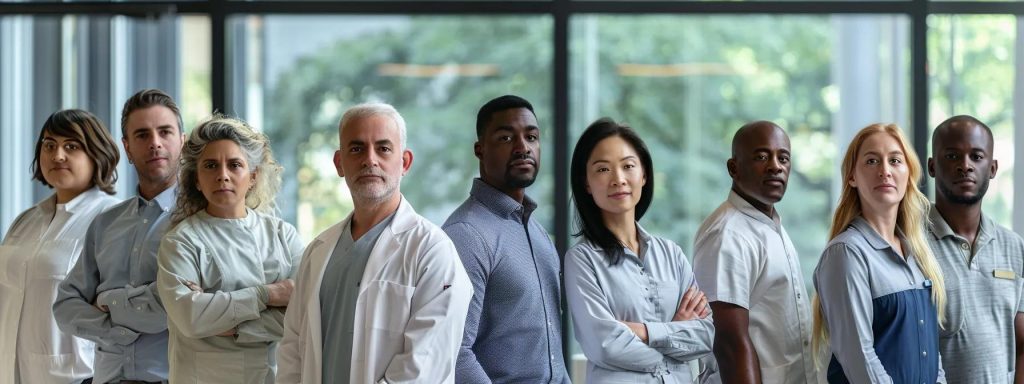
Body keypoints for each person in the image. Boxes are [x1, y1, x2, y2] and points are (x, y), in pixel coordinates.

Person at [277, 102, 472, 384]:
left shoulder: (432, 251)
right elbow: (292, 352)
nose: (370, 160)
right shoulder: (318, 251)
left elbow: (424, 366)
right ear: (339, 163)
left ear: (405, 162)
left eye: (383, 148)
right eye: (357, 149)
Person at [565, 118, 714, 383]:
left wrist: (643, 332)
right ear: (586, 183)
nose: (618, 179)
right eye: (603, 169)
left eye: (628, 166)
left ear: (644, 174)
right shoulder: (581, 260)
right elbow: (604, 345)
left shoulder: (671, 254)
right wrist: (675, 335)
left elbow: (705, 336)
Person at [156, 115, 302, 384]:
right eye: (211, 165)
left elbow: (303, 316)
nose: (222, 175)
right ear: (197, 179)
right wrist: (268, 294)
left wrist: (230, 324)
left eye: (235, 165)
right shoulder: (180, 242)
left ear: (253, 176)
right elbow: (191, 317)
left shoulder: (284, 235)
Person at [53, 89, 184, 384]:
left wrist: (106, 301)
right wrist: (116, 331)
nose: (155, 143)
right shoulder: (106, 223)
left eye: (165, 132)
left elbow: (175, 306)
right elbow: (65, 306)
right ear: (127, 147)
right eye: (142, 135)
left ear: (183, 141)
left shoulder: (195, 223)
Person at [443, 95, 569, 383]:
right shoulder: (465, 234)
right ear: (480, 149)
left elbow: (553, 356)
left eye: (531, 137)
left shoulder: (537, 232)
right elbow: (454, 352)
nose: (523, 147)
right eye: (506, 138)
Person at [811, 123, 947, 383]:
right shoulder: (846, 253)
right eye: (872, 161)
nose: (885, 171)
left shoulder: (918, 254)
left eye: (895, 160)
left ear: (908, 174)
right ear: (852, 177)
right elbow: (859, 359)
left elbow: (931, 355)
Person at [693, 121, 820, 384]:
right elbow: (729, 344)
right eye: (762, 157)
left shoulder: (770, 224)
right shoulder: (727, 235)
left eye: (783, 158)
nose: (776, 166)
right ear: (734, 168)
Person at [0, 109, 121, 384]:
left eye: (72, 146)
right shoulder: (25, 221)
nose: (57, 155)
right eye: (49, 145)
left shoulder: (111, 219)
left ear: (97, 154)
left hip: (77, 376)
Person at [926, 115, 1024, 384]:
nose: (965, 166)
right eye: (952, 156)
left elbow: (1022, 344)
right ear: (932, 166)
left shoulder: (1014, 247)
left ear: (992, 168)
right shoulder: (911, 244)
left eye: (976, 157)